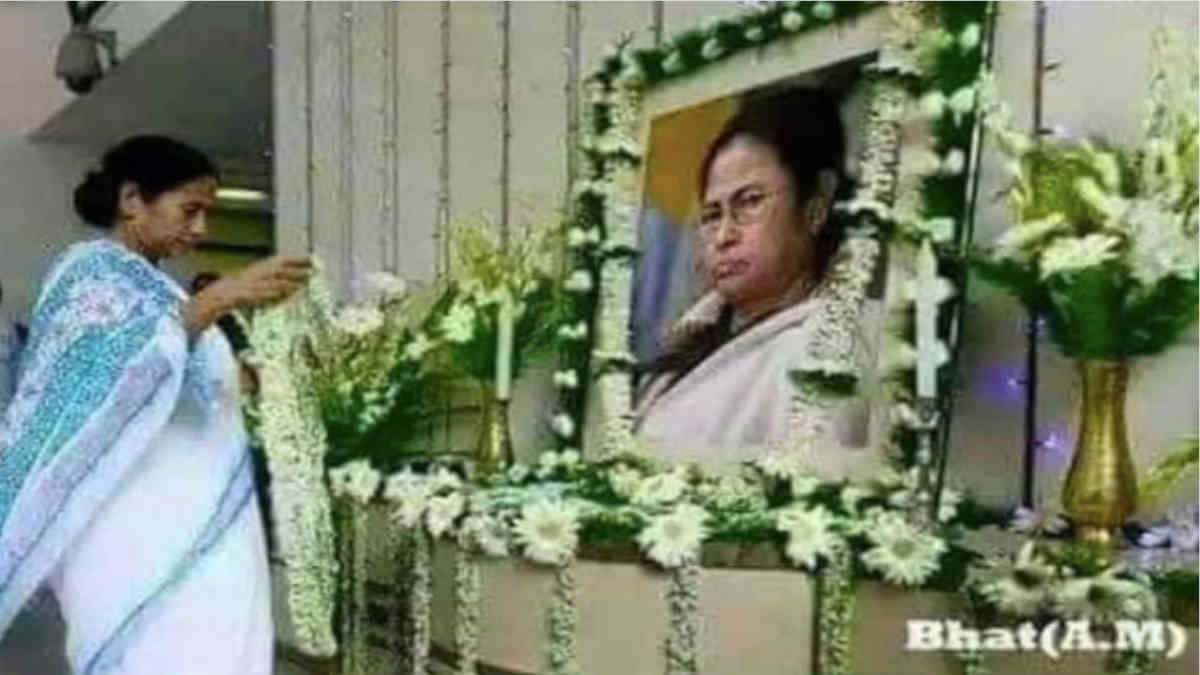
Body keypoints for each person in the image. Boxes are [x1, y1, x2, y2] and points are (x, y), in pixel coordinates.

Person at [0, 135, 311, 674]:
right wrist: (218, 299)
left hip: (202, 516)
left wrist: (258, 375)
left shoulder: (163, 291)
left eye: (207, 213)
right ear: (131, 200)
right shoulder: (88, 275)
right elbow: (101, 378)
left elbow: (190, 383)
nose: (201, 229)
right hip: (134, 527)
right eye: (190, 210)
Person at [634, 88, 885, 480]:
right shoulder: (694, 338)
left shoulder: (833, 346)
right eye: (712, 215)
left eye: (750, 202)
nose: (723, 236)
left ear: (816, 206)